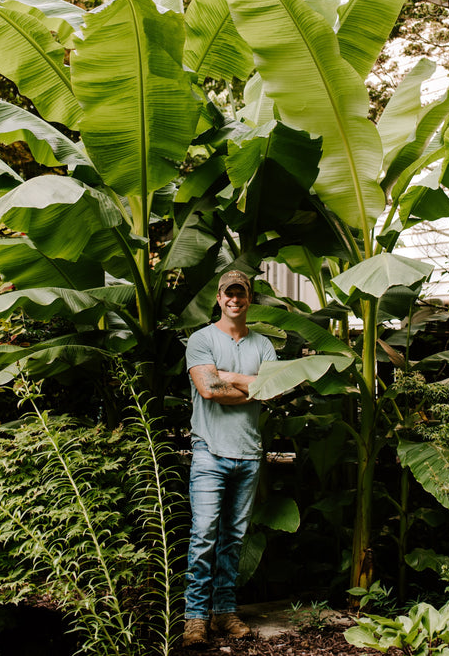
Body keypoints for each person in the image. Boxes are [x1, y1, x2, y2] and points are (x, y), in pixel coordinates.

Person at [182, 269, 277, 648]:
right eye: (228, 293)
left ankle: (224, 611)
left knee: (233, 540)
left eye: (241, 293)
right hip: (209, 450)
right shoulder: (201, 339)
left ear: (248, 298)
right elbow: (208, 389)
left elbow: (273, 391)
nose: (234, 299)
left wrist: (227, 376)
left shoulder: (264, 346)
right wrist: (249, 384)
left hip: (248, 453)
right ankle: (195, 618)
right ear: (219, 298)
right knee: (203, 536)